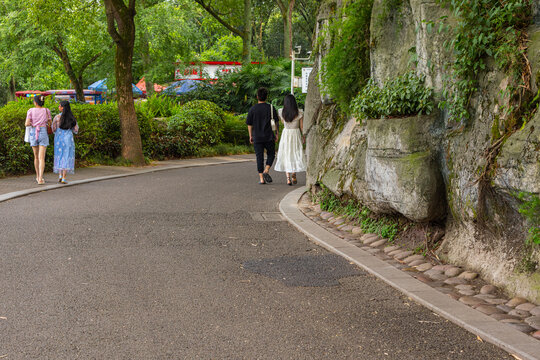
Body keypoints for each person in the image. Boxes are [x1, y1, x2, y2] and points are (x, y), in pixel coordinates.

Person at [246, 87, 279, 184]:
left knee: (259, 156)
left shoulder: (253, 109)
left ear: (257, 97)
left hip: (257, 136)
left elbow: (249, 124)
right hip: (269, 136)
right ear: (266, 97)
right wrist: (277, 134)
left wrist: (250, 135)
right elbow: (276, 122)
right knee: (271, 154)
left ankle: (261, 178)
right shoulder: (271, 108)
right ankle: (266, 170)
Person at [274, 94, 306, 185]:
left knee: (286, 154)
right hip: (295, 134)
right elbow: (301, 127)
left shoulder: (281, 112)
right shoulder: (299, 112)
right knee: (295, 153)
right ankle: (294, 174)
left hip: (286, 134)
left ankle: (288, 178)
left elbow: (283, 122)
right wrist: (304, 136)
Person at [25, 94, 52, 184]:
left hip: (33, 133)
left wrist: (34, 124)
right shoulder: (46, 110)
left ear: (35, 102)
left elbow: (27, 123)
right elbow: (50, 122)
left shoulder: (30, 111)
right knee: (42, 158)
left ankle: (37, 176)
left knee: (36, 157)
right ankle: (40, 178)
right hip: (43, 132)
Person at [52, 101, 78, 184]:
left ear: (63, 107)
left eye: (59, 106)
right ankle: (64, 177)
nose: (58, 107)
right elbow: (76, 130)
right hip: (68, 138)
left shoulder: (57, 117)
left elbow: (53, 129)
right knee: (66, 156)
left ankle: (59, 175)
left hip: (59, 139)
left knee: (59, 155)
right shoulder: (72, 118)